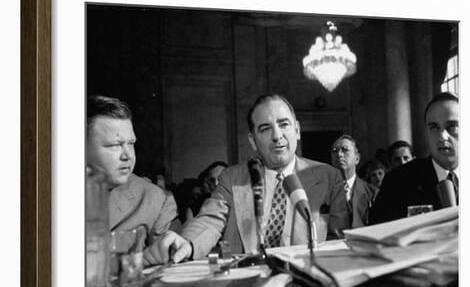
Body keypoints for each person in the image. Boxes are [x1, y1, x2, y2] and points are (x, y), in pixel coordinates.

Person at [142, 94, 349, 264]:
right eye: (265, 128)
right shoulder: (233, 178)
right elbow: (211, 220)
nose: (277, 136)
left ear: (297, 130)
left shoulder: (329, 177)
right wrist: (187, 242)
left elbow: (339, 241)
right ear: (252, 140)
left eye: (284, 124)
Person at [86, 95, 180, 257]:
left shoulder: (156, 200)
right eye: (115, 145)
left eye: (131, 144)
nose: (128, 156)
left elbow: (172, 270)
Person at [370, 93, 459, 224]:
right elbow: (376, 234)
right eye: (434, 127)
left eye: (451, 126)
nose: (442, 137)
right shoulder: (397, 181)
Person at [331, 135, 377, 227]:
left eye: (345, 150)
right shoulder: (323, 193)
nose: (339, 154)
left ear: (357, 159)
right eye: (335, 151)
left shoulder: (372, 193)